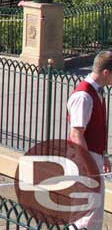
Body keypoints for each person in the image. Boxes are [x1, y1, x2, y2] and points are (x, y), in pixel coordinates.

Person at [66, 51, 112, 228]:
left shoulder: (97, 92)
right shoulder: (83, 96)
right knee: (85, 214)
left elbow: (97, 129)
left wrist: (104, 155)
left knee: (93, 214)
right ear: (106, 72)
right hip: (84, 161)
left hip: (94, 157)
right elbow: (76, 135)